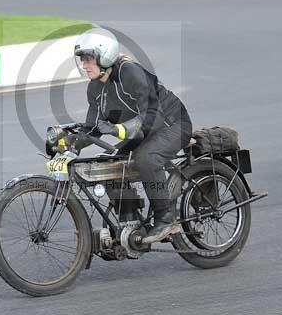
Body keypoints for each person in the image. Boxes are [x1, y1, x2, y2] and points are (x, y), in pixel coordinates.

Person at [73, 28, 193, 244]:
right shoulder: (95, 89)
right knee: (107, 164)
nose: (84, 65)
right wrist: (68, 142)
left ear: (104, 56)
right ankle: (129, 220)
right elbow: (92, 128)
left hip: (172, 124)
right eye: (82, 60)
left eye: (89, 59)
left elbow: (151, 116)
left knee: (146, 159)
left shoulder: (130, 72)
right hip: (143, 132)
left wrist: (118, 129)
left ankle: (165, 219)